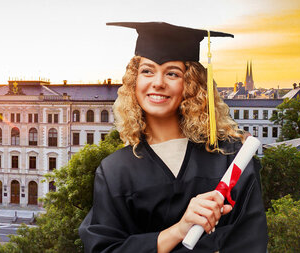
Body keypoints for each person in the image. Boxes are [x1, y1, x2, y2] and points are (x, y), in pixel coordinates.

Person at [78, 22, 268, 252]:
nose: (158, 82)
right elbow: (104, 249)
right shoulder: (114, 171)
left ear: (191, 85)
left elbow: (249, 243)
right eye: (147, 71)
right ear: (133, 82)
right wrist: (180, 230)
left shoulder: (231, 158)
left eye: (172, 73)